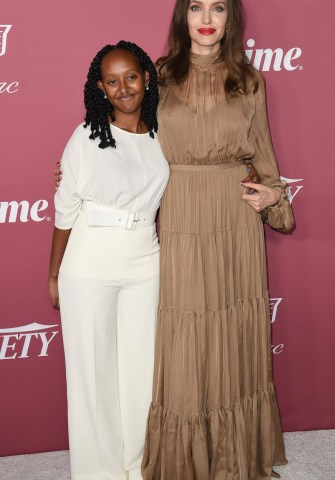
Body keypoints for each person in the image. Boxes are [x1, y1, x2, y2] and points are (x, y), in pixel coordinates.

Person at [141, 1, 295, 479]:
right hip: (182, 210)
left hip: (234, 215)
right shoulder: (158, 76)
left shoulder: (249, 80)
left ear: (230, 19)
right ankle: (187, 460)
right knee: (185, 332)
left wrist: (274, 196)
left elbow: (264, 151)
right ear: (181, 16)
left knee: (234, 331)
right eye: (195, 6)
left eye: (218, 7)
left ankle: (235, 456)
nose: (206, 17)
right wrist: (80, 167)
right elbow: (127, 143)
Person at [48, 40, 169, 480]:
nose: (123, 88)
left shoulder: (164, 133)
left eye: (131, 77)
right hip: (89, 262)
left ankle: (138, 468)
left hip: (145, 262)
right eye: (112, 81)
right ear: (100, 88)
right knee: (93, 377)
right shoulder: (85, 136)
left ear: (147, 78)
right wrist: (53, 272)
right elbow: (65, 208)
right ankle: (99, 473)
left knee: (141, 373)